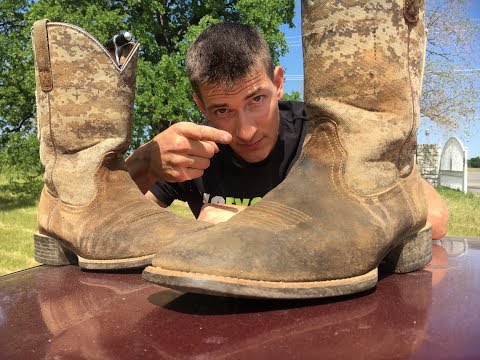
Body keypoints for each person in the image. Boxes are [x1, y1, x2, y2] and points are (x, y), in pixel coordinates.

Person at [125, 22, 448, 236]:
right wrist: (144, 162)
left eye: (256, 99)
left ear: (279, 83)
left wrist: (256, 222)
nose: (246, 131)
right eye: (222, 110)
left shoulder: (327, 134)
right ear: (200, 106)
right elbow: (114, 223)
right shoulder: (193, 151)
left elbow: (435, 217)